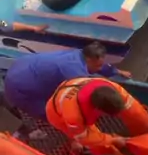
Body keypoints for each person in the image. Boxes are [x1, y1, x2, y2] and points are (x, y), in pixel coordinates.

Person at [4, 41, 132, 122]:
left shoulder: (79, 53)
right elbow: (87, 95)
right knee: (49, 113)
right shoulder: (74, 73)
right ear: (89, 59)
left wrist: (116, 72)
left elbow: (100, 65)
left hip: (24, 65)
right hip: (17, 86)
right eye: (98, 65)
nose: (99, 68)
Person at [46, 78, 148, 154]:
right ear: (98, 110)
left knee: (141, 120)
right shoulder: (73, 116)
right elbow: (87, 138)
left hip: (72, 88)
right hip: (56, 114)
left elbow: (135, 111)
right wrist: (112, 140)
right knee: (98, 146)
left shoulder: (112, 88)